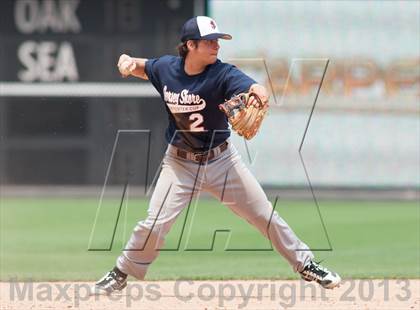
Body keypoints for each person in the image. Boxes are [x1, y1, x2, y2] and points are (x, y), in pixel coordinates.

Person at [93, 16, 341, 294]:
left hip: (222, 162)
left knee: (265, 216)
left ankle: (306, 264)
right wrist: (127, 61)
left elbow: (253, 87)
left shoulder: (222, 74)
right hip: (179, 164)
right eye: (210, 41)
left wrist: (258, 94)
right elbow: (144, 67)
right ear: (190, 45)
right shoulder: (166, 68)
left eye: (217, 41)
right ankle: (120, 272)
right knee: (155, 223)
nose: (216, 46)